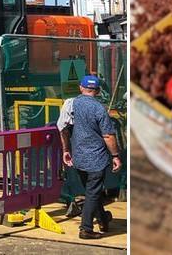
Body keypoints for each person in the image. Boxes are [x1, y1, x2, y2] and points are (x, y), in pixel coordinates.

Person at [60, 75, 121, 239]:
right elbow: (108, 136)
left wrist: (66, 149)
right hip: (96, 159)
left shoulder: (71, 104)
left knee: (92, 191)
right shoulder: (99, 109)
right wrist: (115, 155)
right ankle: (86, 228)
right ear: (98, 91)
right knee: (93, 193)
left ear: (81, 88)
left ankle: (102, 220)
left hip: (78, 158)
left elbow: (63, 128)